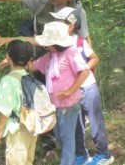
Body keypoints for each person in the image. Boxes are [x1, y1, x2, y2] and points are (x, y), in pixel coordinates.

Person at [0, 0, 91, 159]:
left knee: (68, 105)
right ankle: (43, 139)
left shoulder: (77, 13)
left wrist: (88, 69)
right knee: (39, 98)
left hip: (65, 63)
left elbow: (85, 40)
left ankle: (68, 148)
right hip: (39, 58)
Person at [49, 7, 114, 165]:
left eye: (59, 21)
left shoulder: (79, 41)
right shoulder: (56, 43)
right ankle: (80, 155)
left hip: (87, 85)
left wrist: (82, 69)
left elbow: (94, 58)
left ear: (70, 26)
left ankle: (103, 153)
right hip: (71, 93)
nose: (55, 23)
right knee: (76, 124)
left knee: (94, 120)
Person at [28, 21, 90, 165]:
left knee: (67, 137)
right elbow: (33, 66)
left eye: (48, 43)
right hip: (54, 104)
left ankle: (67, 162)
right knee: (58, 135)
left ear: (57, 43)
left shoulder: (71, 53)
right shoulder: (49, 56)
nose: (46, 46)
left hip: (70, 103)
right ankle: (70, 160)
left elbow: (84, 72)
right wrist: (14, 61)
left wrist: (70, 90)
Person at [0, 40, 38, 165]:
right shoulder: (31, 79)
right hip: (32, 128)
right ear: (30, 60)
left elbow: (5, 109)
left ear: (8, 57)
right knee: (28, 161)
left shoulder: (8, 80)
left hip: (17, 130)